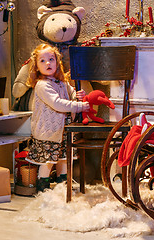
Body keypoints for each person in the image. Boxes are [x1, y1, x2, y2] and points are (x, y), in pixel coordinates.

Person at [25, 43, 90, 191]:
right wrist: (79, 106)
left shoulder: (62, 82)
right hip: (48, 132)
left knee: (63, 159)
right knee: (48, 161)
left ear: (57, 62)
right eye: (42, 60)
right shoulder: (42, 85)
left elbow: (70, 93)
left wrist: (77, 95)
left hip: (64, 130)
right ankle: (43, 187)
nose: (48, 63)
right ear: (36, 66)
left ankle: (62, 187)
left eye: (51, 59)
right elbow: (57, 104)